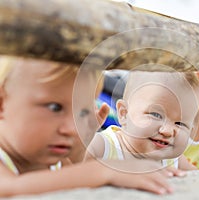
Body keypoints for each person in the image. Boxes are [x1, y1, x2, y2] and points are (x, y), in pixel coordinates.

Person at [0, 56, 182, 197]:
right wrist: (105, 170)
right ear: (1, 104)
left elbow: (72, 172)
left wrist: (83, 141)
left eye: (82, 112)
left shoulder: (51, 158)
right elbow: (9, 189)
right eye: (55, 108)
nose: (72, 128)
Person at [86, 70, 199, 170]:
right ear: (124, 114)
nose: (168, 131)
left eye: (180, 124)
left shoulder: (172, 159)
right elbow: (69, 165)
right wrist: (83, 139)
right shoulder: (105, 145)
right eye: (156, 115)